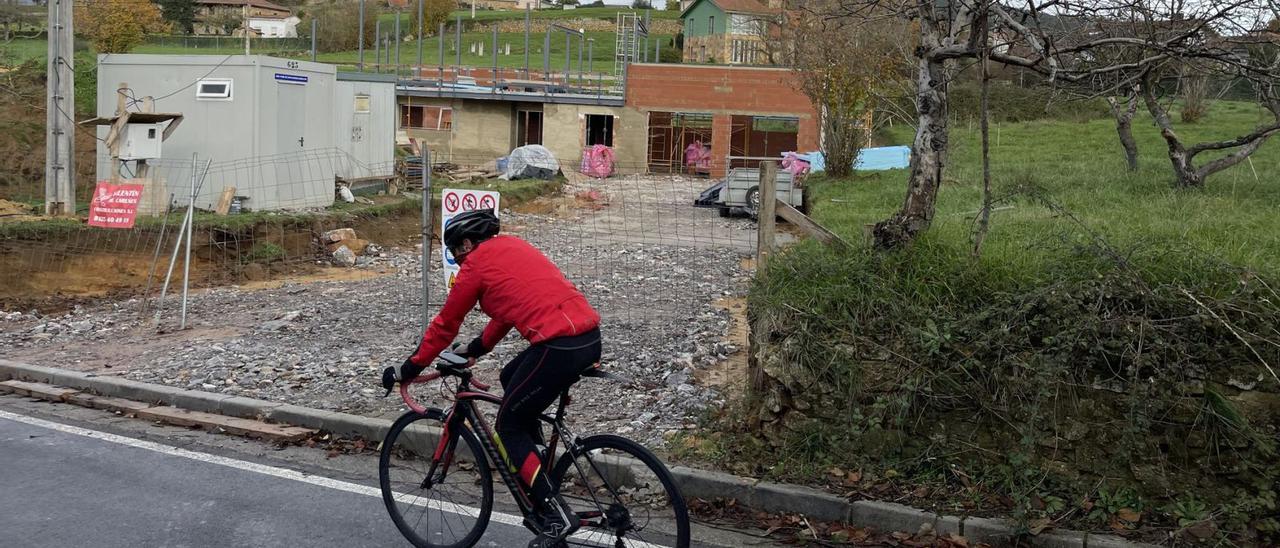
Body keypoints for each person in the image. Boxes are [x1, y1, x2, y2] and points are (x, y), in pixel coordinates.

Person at [382, 208, 602, 548]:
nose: (455, 261)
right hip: (587, 338)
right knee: (510, 375)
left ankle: (555, 512)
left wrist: (409, 368)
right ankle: (536, 457)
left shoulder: (476, 266)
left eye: (455, 252)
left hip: (557, 346)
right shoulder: (513, 247)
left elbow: (445, 324)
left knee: (509, 426)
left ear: (467, 244)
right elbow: (507, 312)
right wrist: (475, 348)